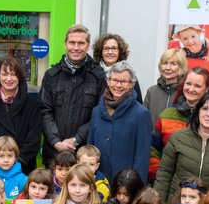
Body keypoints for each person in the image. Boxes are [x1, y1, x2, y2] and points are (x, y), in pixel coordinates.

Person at [40, 24, 107, 167]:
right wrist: (56, 141)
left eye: (81, 43)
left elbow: (100, 113)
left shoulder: (99, 76)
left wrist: (76, 139)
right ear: (65, 44)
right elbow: (44, 111)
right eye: (72, 42)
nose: (76, 47)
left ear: (88, 46)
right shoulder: (51, 76)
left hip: (84, 155)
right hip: (54, 153)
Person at [154, 90, 209, 204]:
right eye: (204, 108)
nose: (208, 114)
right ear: (198, 111)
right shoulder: (178, 138)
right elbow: (164, 174)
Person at [87, 61, 151, 183]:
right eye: (115, 80)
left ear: (131, 84)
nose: (118, 85)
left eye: (123, 82)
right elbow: (90, 150)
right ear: (108, 81)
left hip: (125, 185)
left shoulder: (142, 114)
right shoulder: (96, 111)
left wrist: (135, 186)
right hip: (98, 182)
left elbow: (142, 157)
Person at [0, 56, 42, 174]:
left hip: (22, 169)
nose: (9, 79)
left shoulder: (32, 104)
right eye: (4, 74)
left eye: (13, 74)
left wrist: (17, 163)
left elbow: (34, 138)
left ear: (19, 77)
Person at [149, 67, 209, 181]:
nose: (191, 89)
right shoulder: (167, 114)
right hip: (166, 185)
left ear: (207, 89)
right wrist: (158, 177)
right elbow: (153, 149)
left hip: (200, 189)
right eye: (188, 84)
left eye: (197, 86)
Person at [92, 33, 143, 103]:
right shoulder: (92, 74)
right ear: (100, 52)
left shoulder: (130, 76)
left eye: (114, 48)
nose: (110, 52)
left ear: (120, 52)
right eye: (106, 49)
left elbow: (138, 104)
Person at [143, 49, 188, 125]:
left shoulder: (186, 92)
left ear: (181, 67)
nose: (167, 68)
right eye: (165, 63)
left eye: (173, 64)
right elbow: (143, 120)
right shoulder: (152, 91)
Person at [0, 136, 28, 202]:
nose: (6, 160)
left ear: (15, 157)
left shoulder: (24, 180)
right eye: (1, 156)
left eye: (10, 156)